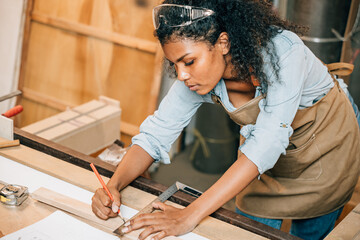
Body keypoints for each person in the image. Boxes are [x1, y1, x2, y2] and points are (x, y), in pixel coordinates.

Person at [91, 0, 360, 239]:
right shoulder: (196, 78)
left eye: (189, 61)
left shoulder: (283, 52)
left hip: (327, 154)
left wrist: (188, 215)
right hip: (265, 162)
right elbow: (155, 134)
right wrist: (114, 184)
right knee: (247, 226)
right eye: (174, 64)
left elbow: (266, 144)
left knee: (309, 233)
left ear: (222, 43)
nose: (181, 75)